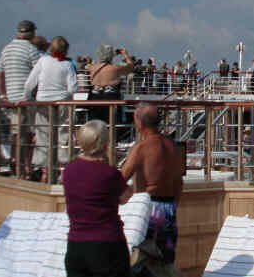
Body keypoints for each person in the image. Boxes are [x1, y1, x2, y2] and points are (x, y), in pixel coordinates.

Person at [63, 120, 133, 277]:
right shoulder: (109, 173)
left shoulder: (68, 170)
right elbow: (125, 197)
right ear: (105, 143)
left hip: (75, 246)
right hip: (106, 245)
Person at [121, 104, 183, 264]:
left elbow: (120, 178)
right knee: (166, 261)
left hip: (148, 208)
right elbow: (179, 182)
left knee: (142, 263)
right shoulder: (173, 147)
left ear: (139, 123)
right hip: (169, 207)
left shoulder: (141, 148)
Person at [22, 36, 78, 179]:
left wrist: (27, 98)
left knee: (43, 136)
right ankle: (62, 171)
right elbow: (72, 89)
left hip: (43, 103)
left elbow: (29, 83)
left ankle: (45, 172)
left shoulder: (43, 61)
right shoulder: (68, 65)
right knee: (63, 135)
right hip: (62, 103)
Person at [0, 20, 42, 176]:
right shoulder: (31, 49)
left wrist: (3, 94)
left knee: (17, 134)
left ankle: (18, 166)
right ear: (32, 33)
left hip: (11, 99)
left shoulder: (7, 49)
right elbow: (39, 74)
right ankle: (24, 169)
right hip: (26, 99)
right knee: (27, 135)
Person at [88, 45, 135, 122]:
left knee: (95, 125)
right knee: (111, 127)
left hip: (94, 100)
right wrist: (125, 55)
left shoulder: (92, 68)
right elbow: (131, 67)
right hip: (110, 100)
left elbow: (102, 62)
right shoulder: (115, 68)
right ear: (111, 55)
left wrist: (111, 55)